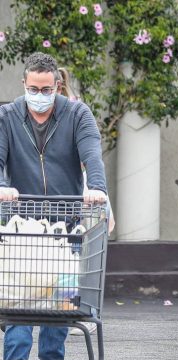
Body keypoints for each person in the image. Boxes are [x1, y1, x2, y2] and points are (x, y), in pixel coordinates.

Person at [0, 52, 107, 360]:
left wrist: (97, 190)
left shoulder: (77, 114)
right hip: (23, 227)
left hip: (66, 227)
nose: (40, 95)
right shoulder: (7, 116)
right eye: (33, 88)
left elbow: (92, 155)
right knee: (18, 301)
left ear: (57, 85)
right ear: (24, 85)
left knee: (58, 305)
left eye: (46, 89)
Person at [56, 66, 115, 335]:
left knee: (74, 258)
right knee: (70, 259)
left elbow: (89, 157)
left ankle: (73, 307)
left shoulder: (73, 113)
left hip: (79, 194)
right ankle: (67, 307)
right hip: (69, 196)